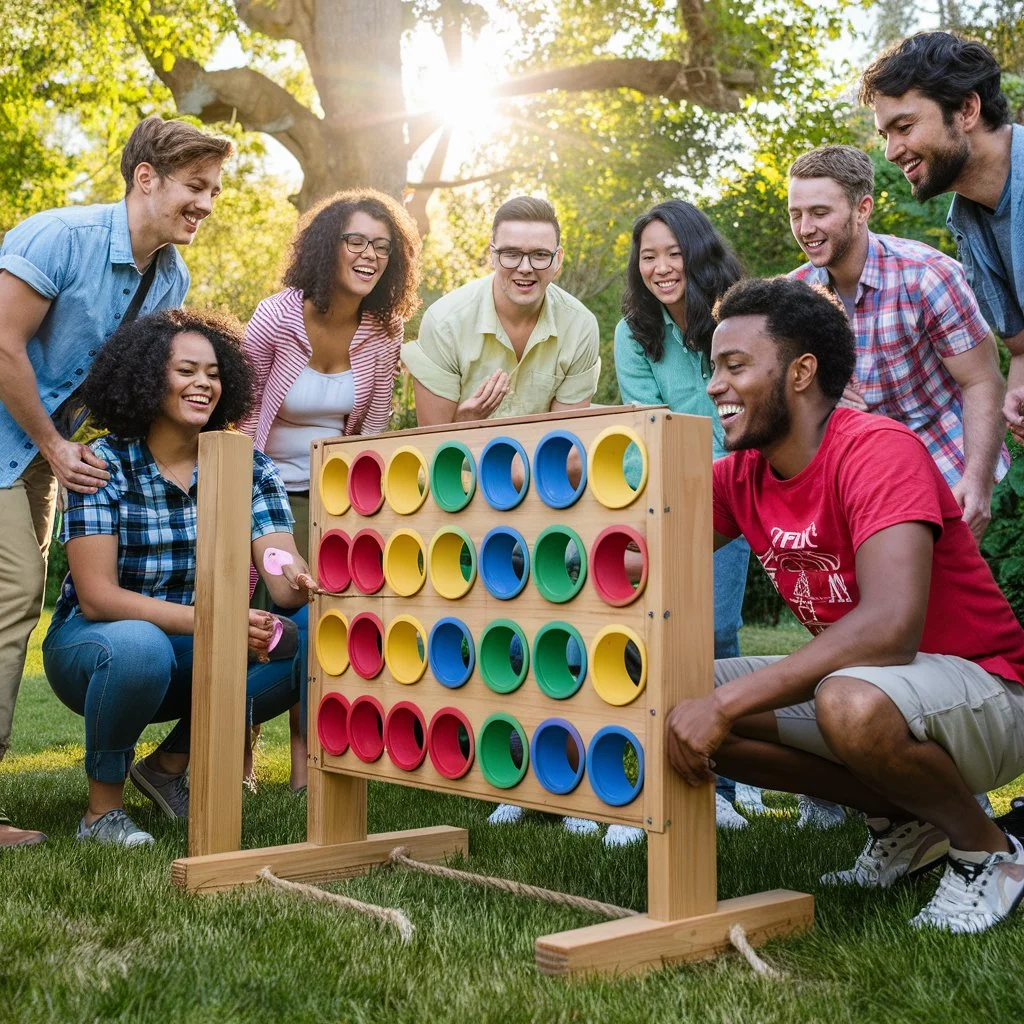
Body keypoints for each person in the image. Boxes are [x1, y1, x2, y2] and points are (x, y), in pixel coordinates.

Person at [667, 276, 1024, 934]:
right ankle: (911, 821)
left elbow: (890, 630)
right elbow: (635, 547)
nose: (715, 384)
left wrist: (726, 703)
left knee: (847, 701)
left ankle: (988, 852)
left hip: (989, 691)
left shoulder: (878, 451)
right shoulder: (742, 475)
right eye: (713, 367)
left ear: (801, 373)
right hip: (881, 687)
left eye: (735, 366)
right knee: (671, 695)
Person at [0, 115, 232, 847]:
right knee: (11, 599)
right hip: (22, 440)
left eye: (214, 190)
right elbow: (2, 340)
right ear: (145, 177)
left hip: (43, 455)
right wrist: (51, 441)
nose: (206, 203)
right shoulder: (57, 237)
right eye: (195, 187)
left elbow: (129, 384)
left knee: (12, 606)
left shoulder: (170, 274)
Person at [41, 308, 318, 847]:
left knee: (309, 632)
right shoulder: (104, 463)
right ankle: (103, 812)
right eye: (186, 371)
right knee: (141, 647)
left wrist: (297, 573)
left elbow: (281, 570)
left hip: (194, 644)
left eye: (214, 373)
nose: (204, 384)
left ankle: (168, 765)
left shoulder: (249, 466)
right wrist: (216, 622)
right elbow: (97, 598)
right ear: (147, 378)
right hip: (98, 647)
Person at [240, 188, 421, 791]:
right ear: (328, 247)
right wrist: (240, 498)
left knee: (325, 622)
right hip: (263, 491)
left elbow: (370, 428)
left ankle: (305, 768)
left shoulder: (385, 332)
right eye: (356, 241)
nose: (369, 254)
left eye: (381, 245)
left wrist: (360, 511)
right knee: (263, 615)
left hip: (335, 498)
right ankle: (238, 757)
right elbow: (239, 416)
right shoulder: (278, 316)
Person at [613, 199, 765, 835]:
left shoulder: (737, 317)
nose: (661, 266)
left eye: (674, 252)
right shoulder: (633, 331)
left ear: (698, 253)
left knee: (716, 632)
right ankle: (636, 769)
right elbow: (644, 424)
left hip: (729, 486)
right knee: (633, 628)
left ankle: (727, 783)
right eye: (649, 256)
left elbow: (743, 413)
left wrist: (706, 474)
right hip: (654, 489)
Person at [788, 144, 1007, 542]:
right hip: (854, 480)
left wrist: (977, 484)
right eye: (796, 215)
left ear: (862, 209)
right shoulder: (791, 298)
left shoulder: (927, 276)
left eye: (820, 213)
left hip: (942, 464)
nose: (805, 229)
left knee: (950, 600)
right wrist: (820, 400)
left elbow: (981, 381)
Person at [860, 32, 1024, 440]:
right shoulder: (968, 223)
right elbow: (1021, 348)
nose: (891, 151)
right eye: (886, 135)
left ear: (966, 109)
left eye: (904, 126)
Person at [402, 195, 600, 425]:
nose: (525, 268)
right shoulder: (443, 322)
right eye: (511, 254)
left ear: (558, 259)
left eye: (540, 255)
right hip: (460, 459)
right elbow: (434, 449)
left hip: (542, 459)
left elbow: (564, 442)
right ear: (493, 256)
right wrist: (466, 420)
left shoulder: (580, 326)